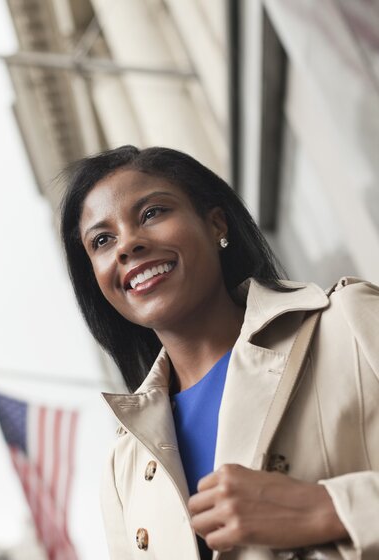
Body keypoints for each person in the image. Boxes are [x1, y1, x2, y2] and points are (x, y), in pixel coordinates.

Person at [59, 146, 379, 559]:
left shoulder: (349, 322)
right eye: (102, 240)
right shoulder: (126, 467)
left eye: (152, 213)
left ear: (216, 224)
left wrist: (331, 510)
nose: (127, 245)